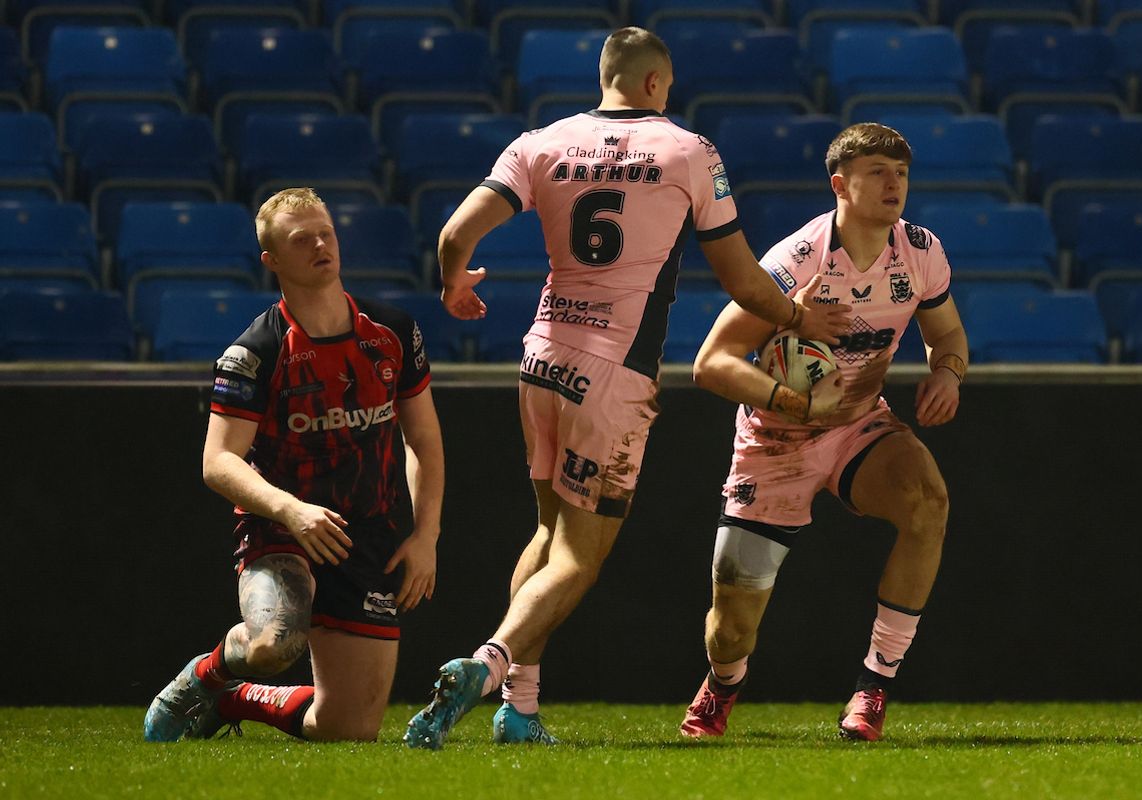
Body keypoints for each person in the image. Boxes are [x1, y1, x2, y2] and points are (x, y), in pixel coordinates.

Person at [403, 26, 850, 750]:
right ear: (652, 83)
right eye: (667, 86)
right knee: (580, 555)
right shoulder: (688, 151)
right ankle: (485, 665)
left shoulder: (538, 143)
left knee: (546, 532)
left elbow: (456, 233)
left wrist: (455, 284)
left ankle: (520, 710)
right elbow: (741, 280)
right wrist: (802, 317)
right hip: (613, 373)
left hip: (542, 354)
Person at [678, 122, 968, 742]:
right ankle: (723, 684)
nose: (894, 186)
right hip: (775, 442)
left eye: (902, 175)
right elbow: (711, 364)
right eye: (877, 174)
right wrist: (791, 400)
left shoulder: (920, 251)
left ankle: (872, 688)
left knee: (929, 502)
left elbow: (947, 337)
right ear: (840, 184)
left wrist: (948, 372)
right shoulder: (796, 261)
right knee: (731, 628)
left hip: (860, 424)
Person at [143, 187, 445, 743]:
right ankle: (204, 677)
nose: (320, 245)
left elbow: (423, 440)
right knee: (271, 646)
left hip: (365, 535)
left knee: (349, 730)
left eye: (325, 233)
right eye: (300, 240)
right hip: (281, 528)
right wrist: (290, 509)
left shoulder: (394, 332)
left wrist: (426, 534)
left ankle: (238, 701)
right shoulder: (255, 351)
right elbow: (218, 462)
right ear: (272, 260)